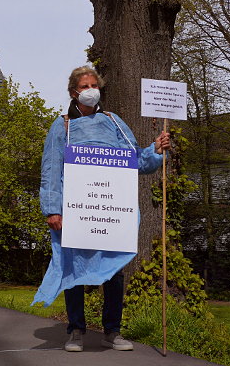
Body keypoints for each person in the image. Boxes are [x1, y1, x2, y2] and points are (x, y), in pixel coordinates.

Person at [32, 66, 170, 352]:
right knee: (74, 269)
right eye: (85, 85)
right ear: (74, 92)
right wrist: (52, 209)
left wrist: (155, 149)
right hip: (76, 211)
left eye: (95, 84)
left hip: (112, 211)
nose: (91, 89)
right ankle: (76, 330)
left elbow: (135, 162)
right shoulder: (62, 125)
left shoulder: (114, 122)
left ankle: (112, 330)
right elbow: (50, 169)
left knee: (115, 270)